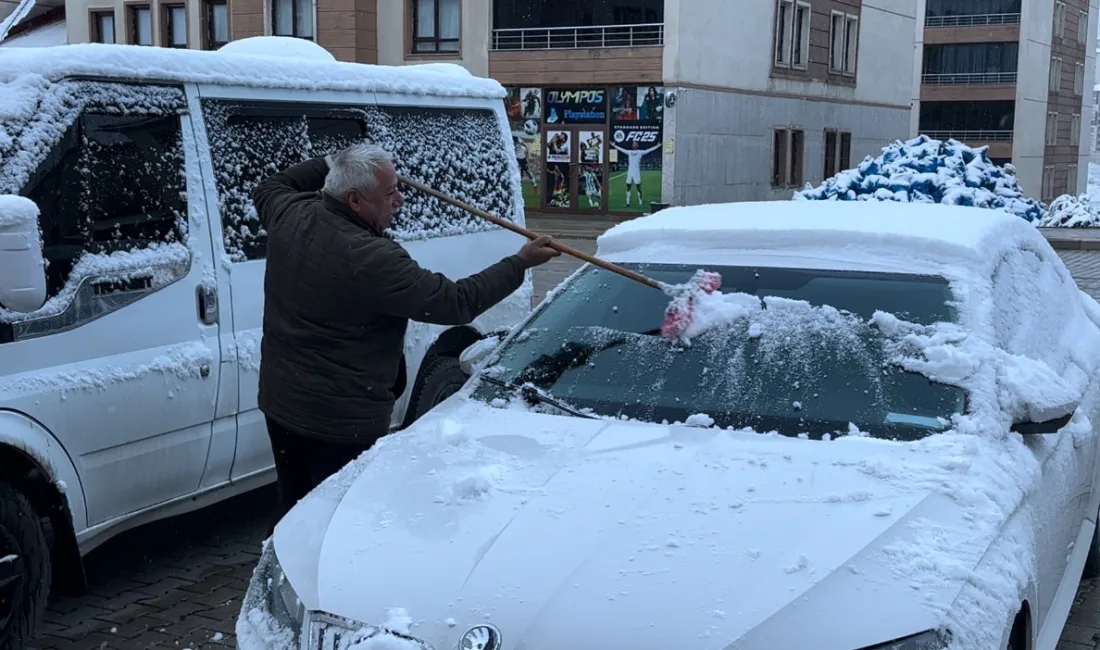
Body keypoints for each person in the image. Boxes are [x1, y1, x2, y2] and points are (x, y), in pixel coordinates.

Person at [252, 142, 560, 525]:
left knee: (295, 509)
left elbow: (269, 186)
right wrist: (519, 263)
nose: (399, 200)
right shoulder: (371, 258)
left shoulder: (289, 212)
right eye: (389, 192)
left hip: (282, 404)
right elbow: (455, 302)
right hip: (339, 421)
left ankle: (283, 570)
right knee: (339, 523)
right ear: (354, 200)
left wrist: (332, 162)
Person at [612, 140, 662, 209]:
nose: (634, 144)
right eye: (633, 143)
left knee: (638, 187)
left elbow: (649, 150)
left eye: (635, 143)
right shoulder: (629, 152)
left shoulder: (640, 152)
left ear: (637, 146)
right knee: (628, 187)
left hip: (636, 172)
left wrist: (657, 146)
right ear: (632, 146)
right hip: (630, 172)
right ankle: (627, 203)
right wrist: (614, 145)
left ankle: (640, 203)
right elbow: (621, 150)